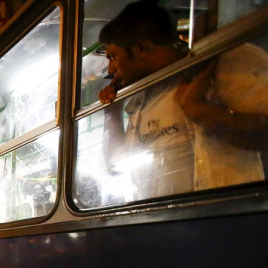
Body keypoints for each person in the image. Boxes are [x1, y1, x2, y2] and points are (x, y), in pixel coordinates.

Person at [98, 0, 268, 199]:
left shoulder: (224, 61)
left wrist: (201, 112)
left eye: (112, 57)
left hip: (224, 219)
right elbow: (117, 165)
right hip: (158, 223)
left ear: (141, 48)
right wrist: (112, 112)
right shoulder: (138, 98)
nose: (110, 70)